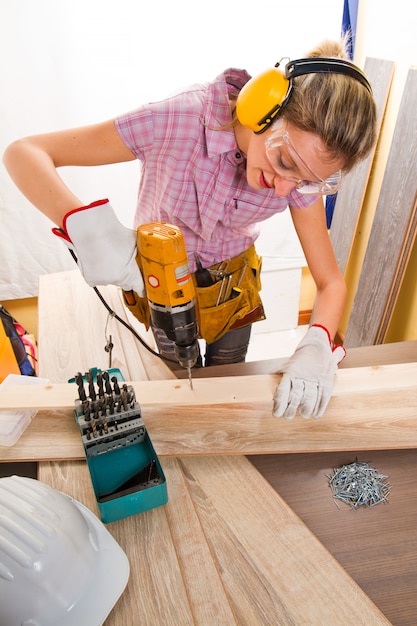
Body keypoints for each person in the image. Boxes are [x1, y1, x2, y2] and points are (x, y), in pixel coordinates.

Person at [3, 37, 377, 420]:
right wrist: (85, 227)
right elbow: (25, 152)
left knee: (226, 379)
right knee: (180, 376)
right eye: (283, 161)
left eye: (305, 182)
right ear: (261, 106)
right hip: (159, 281)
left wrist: (318, 341)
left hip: (231, 288)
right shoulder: (177, 119)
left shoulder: (295, 173)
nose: (285, 188)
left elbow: (331, 282)